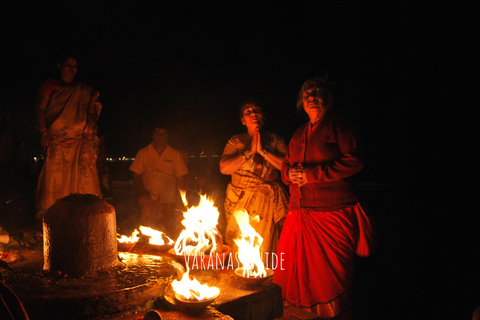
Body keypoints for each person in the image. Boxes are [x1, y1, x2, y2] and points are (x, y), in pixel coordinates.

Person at [273, 77, 373, 319]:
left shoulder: (340, 125)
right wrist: (290, 173)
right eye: (307, 94)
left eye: (317, 92)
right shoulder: (298, 133)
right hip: (299, 212)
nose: (312, 96)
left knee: (332, 276)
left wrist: (311, 175)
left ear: (327, 99)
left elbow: (355, 160)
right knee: (295, 271)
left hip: (332, 213)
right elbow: (286, 166)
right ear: (301, 103)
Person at [220, 100, 288, 268]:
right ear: (243, 120)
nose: (253, 113)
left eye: (257, 110)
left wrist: (263, 152)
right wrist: (250, 152)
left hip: (267, 202)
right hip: (240, 202)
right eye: (248, 111)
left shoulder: (276, 141)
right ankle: (240, 276)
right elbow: (224, 168)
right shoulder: (236, 141)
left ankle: (264, 280)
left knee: (265, 244)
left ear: (263, 117)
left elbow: (287, 168)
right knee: (240, 242)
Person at [35, 53, 102, 219]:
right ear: (60, 66)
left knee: (85, 179)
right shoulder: (50, 85)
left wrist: (90, 127)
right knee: (55, 179)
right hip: (57, 140)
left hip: (82, 141)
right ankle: (52, 218)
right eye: (68, 65)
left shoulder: (85, 90)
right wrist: (44, 132)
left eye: (74, 66)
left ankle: (87, 217)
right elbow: (40, 109)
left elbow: (92, 111)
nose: (71, 68)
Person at [129, 127, 189, 233]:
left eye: (164, 134)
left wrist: (181, 198)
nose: (161, 136)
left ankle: (164, 247)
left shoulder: (175, 155)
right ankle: (145, 245)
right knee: (146, 226)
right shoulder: (143, 153)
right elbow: (136, 175)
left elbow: (181, 178)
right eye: (158, 134)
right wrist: (143, 192)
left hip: (169, 198)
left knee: (166, 228)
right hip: (148, 196)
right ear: (153, 137)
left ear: (167, 137)